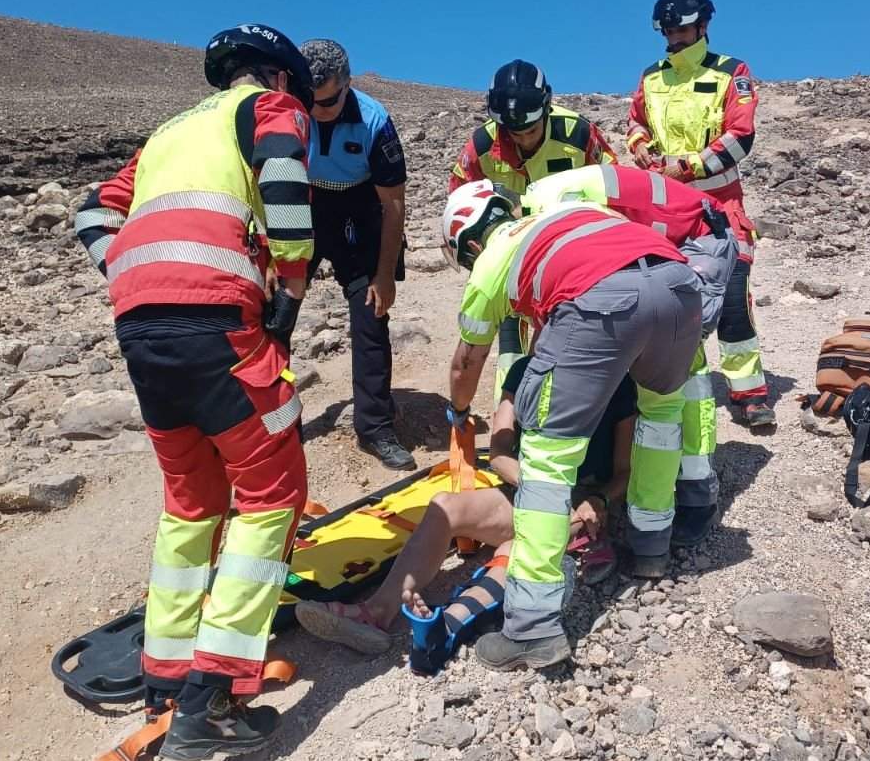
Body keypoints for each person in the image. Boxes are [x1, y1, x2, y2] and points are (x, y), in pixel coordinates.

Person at [73, 24, 315, 760]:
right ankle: (213, 697)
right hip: (213, 319)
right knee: (272, 490)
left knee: (190, 499)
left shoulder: (167, 137)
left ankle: (167, 673)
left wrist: (127, 270)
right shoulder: (267, 108)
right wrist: (294, 278)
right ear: (276, 76)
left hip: (140, 327)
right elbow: (282, 177)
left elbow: (91, 210)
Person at [441, 180, 705, 670]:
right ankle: (651, 546)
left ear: (471, 243)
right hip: (679, 286)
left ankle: (532, 627)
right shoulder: (570, 213)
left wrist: (458, 413)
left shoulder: (493, 256)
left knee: (547, 452)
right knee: (662, 415)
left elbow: (466, 362)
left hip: (602, 299)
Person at [293, 353, 634, 659]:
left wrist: (599, 500)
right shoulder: (525, 370)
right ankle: (375, 614)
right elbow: (499, 452)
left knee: (521, 546)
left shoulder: (617, 382)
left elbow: (623, 472)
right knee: (446, 505)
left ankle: (446, 628)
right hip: (526, 491)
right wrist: (537, 490)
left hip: (579, 504)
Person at [522, 162, 738, 545]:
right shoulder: (558, 195)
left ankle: (696, 493)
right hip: (665, 251)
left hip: (701, 242)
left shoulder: (560, 205)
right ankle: (654, 495)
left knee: (683, 369)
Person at [627, 0, 775, 431]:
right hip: (665, 212)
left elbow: (740, 137)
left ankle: (749, 393)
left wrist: (686, 168)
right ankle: (675, 391)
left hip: (720, 207)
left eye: (681, 31)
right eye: (667, 32)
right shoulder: (651, 77)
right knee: (672, 301)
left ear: (704, 25)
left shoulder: (733, 73)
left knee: (732, 299)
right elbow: (636, 122)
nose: (674, 39)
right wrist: (640, 148)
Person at [450, 60, 618, 395]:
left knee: (570, 340)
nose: (524, 140)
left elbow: (614, 185)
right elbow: (461, 197)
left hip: (574, 258)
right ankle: (509, 421)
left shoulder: (579, 134)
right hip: (513, 259)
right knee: (511, 345)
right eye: (515, 134)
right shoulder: (482, 146)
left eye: (531, 131)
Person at [299, 39, 414, 471]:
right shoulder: (289, 111)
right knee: (274, 314)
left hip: (359, 210)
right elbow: (259, 181)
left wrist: (384, 274)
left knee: (371, 318)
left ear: (347, 85)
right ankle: (272, 427)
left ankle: (376, 428)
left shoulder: (374, 121)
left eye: (329, 101)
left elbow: (394, 204)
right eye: (312, 101)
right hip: (303, 206)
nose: (319, 110)